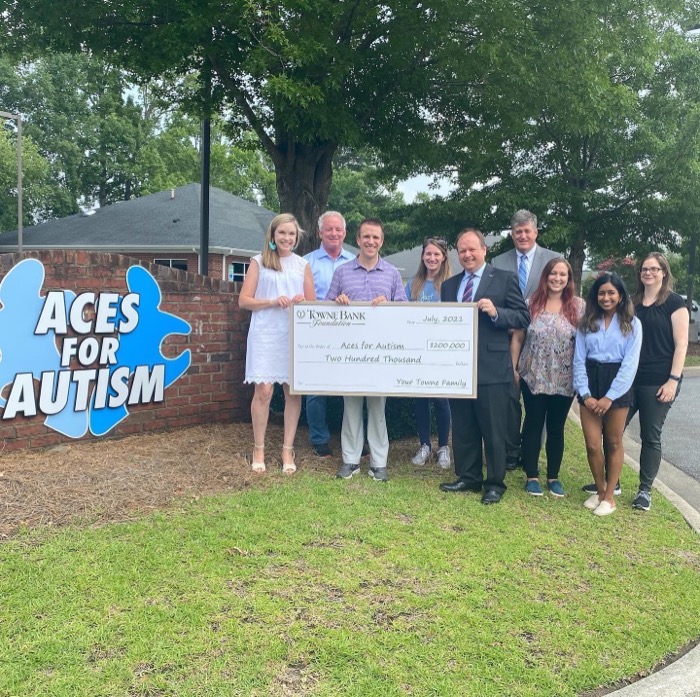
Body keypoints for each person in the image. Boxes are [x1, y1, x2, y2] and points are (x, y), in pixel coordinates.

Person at [439, 228, 530, 504]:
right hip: (458, 368)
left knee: (493, 428)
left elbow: (523, 317)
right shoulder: (450, 285)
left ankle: (494, 483)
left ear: (483, 250)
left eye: (472, 249)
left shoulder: (504, 279)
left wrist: (496, 312)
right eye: (462, 250)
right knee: (464, 425)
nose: (467, 254)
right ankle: (468, 476)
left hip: (492, 367)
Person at [325, 218, 407, 482]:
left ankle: (379, 462)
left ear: (381, 241)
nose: (371, 242)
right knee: (350, 408)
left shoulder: (393, 273)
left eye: (376, 238)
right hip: (349, 353)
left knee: (377, 408)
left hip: (380, 354)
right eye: (366, 237)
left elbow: (405, 312)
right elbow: (325, 308)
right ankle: (350, 461)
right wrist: (337, 302)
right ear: (358, 240)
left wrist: (390, 306)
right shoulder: (342, 272)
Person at [239, 213, 316, 475]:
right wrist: (271, 301)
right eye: (282, 233)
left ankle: (287, 449)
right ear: (273, 235)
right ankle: (258, 448)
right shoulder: (259, 262)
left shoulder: (302, 265)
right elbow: (244, 300)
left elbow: (312, 302)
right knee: (263, 391)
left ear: (297, 238)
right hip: (265, 333)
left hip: (293, 334)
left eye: (291, 234)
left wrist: (302, 301)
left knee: (292, 392)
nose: (287, 238)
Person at [491, 210, 560, 470]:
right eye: (517, 231)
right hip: (507, 339)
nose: (522, 235)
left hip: (542, 342)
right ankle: (512, 450)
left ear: (536, 232)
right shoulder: (498, 262)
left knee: (538, 401)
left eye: (527, 231)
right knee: (510, 396)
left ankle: (532, 451)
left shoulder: (553, 260)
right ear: (512, 234)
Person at [511, 258, 585, 497]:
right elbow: (519, 338)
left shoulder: (578, 306)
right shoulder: (530, 304)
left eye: (563, 274)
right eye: (553, 273)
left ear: (569, 279)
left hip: (564, 378)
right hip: (533, 374)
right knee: (533, 422)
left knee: (556, 427)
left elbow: (585, 343)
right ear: (546, 276)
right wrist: (513, 367)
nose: (557, 278)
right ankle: (531, 475)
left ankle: (553, 476)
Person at [573, 273, 642, 516]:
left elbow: (630, 365)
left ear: (621, 296)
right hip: (590, 381)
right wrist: (586, 394)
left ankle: (610, 496)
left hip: (617, 384)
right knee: (592, 444)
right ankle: (600, 491)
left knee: (613, 441)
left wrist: (610, 397)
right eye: (601, 293)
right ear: (595, 296)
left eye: (611, 292)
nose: (606, 297)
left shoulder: (632, 324)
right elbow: (578, 359)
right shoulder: (586, 322)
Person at [627, 253, 688, 510]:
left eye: (654, 269)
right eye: (644, 269)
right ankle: (612, 481)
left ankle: (645, 490)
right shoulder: (633, 302)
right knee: (613, 429)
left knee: (650, 435)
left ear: (664, 272)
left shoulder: (674, 303)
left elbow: (681, 343)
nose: (648, 273)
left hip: (659, 381)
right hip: (630, 379)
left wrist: (673, 380)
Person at [303, 211, 355, 457]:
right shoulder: (306, 263)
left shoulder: (355, 261)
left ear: (344, 233)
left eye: (338, 230)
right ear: (320, 233)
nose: (333, 233)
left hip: (350, 334)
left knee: (353, 388)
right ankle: (319, 439)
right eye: (328, 230)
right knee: (316, 390)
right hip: (317, 334)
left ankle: (355, 439)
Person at [405, 237, 452, 469]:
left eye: (436, 254)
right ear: (423, 257)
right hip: (417, 350)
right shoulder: (413, 284)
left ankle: (444, 446)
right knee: (421, 399)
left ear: (443, 257)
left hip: (442, 351)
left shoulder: (451, 284)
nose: (432, 258)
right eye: (428, 254)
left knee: (441, 400)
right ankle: (425, 445)